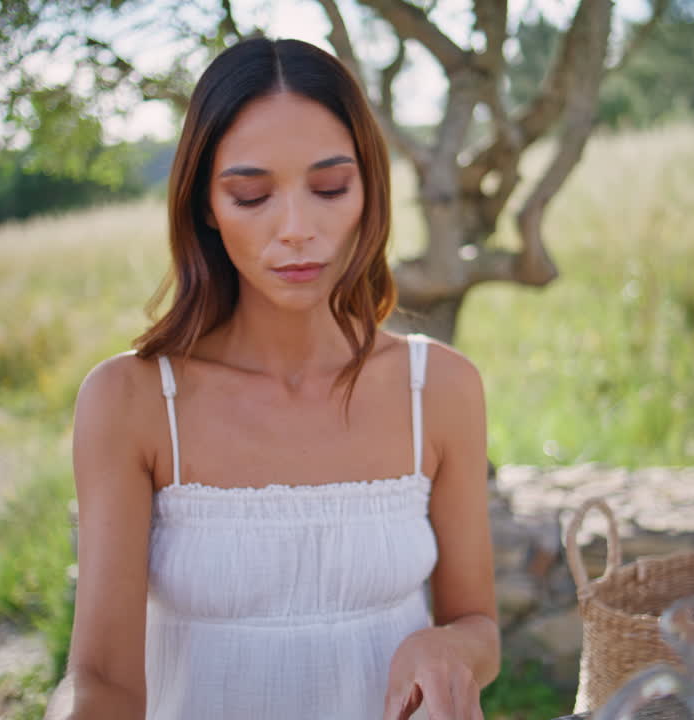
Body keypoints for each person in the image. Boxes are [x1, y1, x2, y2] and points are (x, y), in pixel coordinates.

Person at [53, 35, 499, 720]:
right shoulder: (131, 402)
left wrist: (449, 649)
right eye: (252, 194)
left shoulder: (439, 389)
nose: (297, 229)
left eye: (329, 188)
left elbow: (478, 626)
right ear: (204, 204)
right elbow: (103, 681)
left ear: (368, 190)